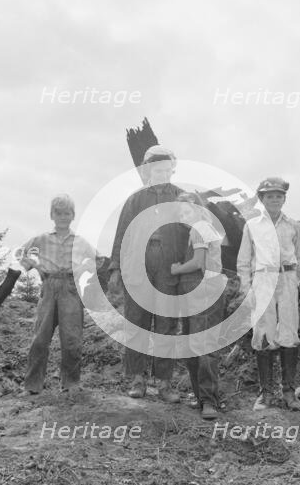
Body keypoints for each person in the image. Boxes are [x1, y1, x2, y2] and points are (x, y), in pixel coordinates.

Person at [108, 145, 187, 403]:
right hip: (138, 265)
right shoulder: (135, 199)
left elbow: (193, 232)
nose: (162, 174)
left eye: (167, 169)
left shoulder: (181, 197)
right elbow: (121, 235)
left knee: (166, 324)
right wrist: (115, 269)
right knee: (137, 322)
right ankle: (138, 379)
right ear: (148, 171)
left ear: (172, 170)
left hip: (169, 265)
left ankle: (164, 383)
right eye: (157, 170)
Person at [237, 177, 300, 411]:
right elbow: (244, 260)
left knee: (289, 331)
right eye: (269, 196)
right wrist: (246, 288)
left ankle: (288, 392)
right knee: (263, 332)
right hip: (263, 279)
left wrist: (297, 279)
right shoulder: (252, 226)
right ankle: (265, 393)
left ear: (284, 198)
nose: (274, 199)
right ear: (262, 199)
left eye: (278, 196)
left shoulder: (293, 225)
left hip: (287, 278)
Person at [19, 194, 98, 396]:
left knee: (72, 337)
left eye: (67, 213)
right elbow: (22, 254)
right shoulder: (42, 239)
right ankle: (32, 385)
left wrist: (82, 270)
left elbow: (96, 260)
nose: (63, 217)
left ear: (73, 216)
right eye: (59, 213)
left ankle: (71, 383)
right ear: (52, 215)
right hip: (49, 286)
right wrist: (36, 266)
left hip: (71, 288)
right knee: (40, 337)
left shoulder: (80, 242)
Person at [171, 192, 226, 420]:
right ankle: (201, 395)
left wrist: (176, 269)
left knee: (203, 346)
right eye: (181, 212)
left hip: (203, 291)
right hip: (194, 292)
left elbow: (198, 262)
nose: (184, 215)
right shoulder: (199, 230)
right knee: (193, 344)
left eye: (187, 210)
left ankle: (209, 400)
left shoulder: (199, 228)